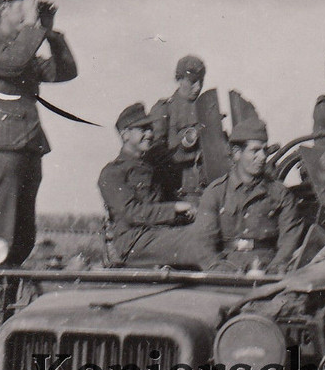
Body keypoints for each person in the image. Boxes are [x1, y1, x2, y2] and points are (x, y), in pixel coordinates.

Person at [0, 0, 77, 267]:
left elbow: (65, 72)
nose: (29, 11)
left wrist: (50, 34)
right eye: (22, 5)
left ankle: (4, 305)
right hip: (3, 152)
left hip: (28, 149)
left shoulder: (22, 49)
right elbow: (14, 61)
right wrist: (33, 27)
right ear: (4, 9)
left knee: (22, 240)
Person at [194, 118, 305, 275]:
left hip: (268, 268)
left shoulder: (280, 194)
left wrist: (274, 269)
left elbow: (290, 240)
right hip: (227, 269)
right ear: (237, 153)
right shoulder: (215, 193)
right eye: (255, 151)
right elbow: (204, 245)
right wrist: (222, 271)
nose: (262, 157)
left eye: (264, 150)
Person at [98, 103, 200, 268]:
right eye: (143, 129)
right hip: (134, 241)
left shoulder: (151, 168)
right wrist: (175, 208)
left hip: (159, 236)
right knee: (201, 240)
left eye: (150, 129)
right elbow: (132, 213)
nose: (150, 134)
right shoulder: (112, 173)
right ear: (125, 135)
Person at [150, 55, 213, 201]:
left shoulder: (207, 110)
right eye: (192, 81)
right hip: (178, 189)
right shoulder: (164, 109)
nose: (197, 87)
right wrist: (186, 143)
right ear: (179, 79)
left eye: (201, 81)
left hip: (208, 186)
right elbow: (155, 155)